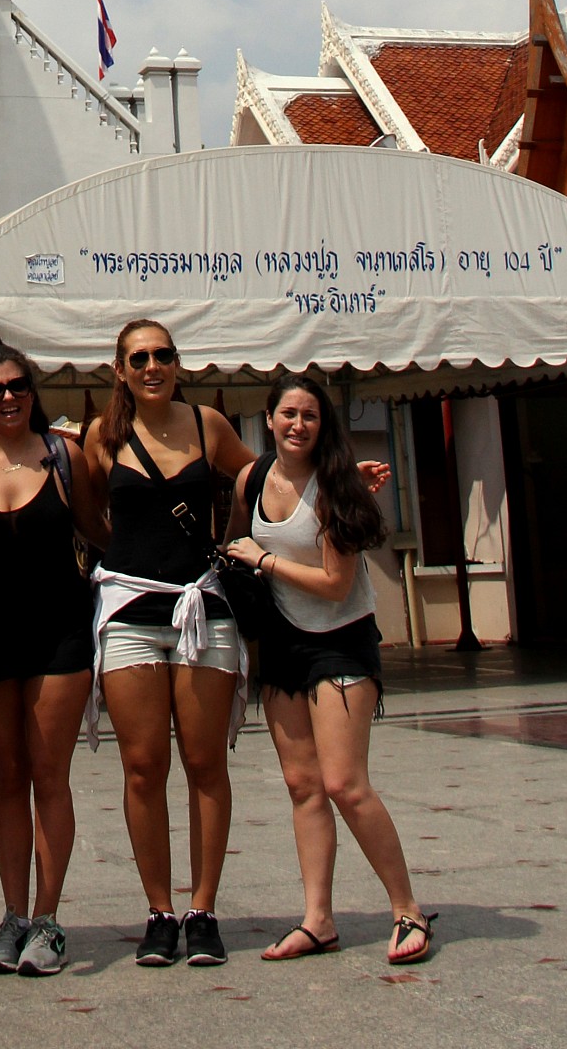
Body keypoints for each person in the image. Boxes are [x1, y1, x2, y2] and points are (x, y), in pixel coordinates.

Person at [224, 374, 432, 967]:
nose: (297, 424)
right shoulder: (253, 478)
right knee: (302, 784)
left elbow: (337, 584)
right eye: (288, 413)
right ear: (268, 419)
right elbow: (234, 539)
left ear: (324, 424)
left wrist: (264, 560)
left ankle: (407, 910)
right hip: (283, 643)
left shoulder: (337, 485)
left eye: (309, 416)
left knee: (345, 782)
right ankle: (319, 920)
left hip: (340, 641)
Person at [83, 319, 258, 970]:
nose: (152, 365)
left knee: (206, 761)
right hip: (131, 610)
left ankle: (203, 909)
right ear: (121, 369)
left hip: (200, 608)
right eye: (139, 357)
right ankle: (159, 910)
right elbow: (88, 514)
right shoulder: (101, 437)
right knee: (143, 764)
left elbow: (257, 478)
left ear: (176, 364)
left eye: (162, 354)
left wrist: (239, 538)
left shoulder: (208, 425)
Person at [0, 333, 105, 979]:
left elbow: (104, 530)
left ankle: (48, 918)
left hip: (60, 636)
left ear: (32, 392)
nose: (10, 397)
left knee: (49, 773)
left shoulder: (66, 456)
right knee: (6, 776)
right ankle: (12, 915)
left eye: (19, 386)